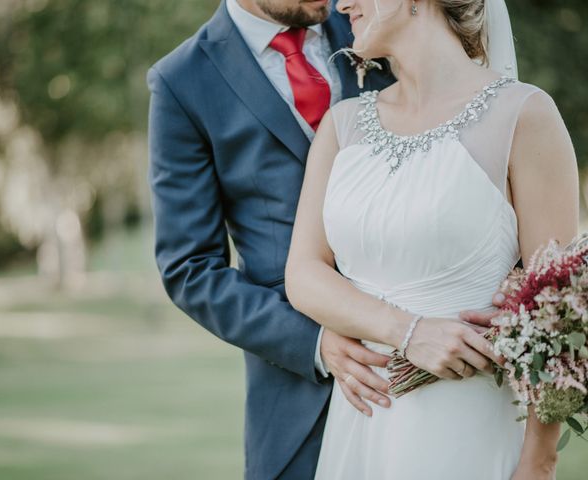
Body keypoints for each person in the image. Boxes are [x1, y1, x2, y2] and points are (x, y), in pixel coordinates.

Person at [285, 0, 579, 479]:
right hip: (361, 425)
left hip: (467, 428)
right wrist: (407, 331)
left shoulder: (524, 116)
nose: (342, 4)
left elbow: (560, 316)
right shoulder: (342, 126)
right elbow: (303, 274)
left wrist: (538, 463)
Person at [147, 1, 401, 478]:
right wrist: (315, 342)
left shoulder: (379, 21)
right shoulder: (182, 81)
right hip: (299, 399)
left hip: (425, 350)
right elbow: (190, 269)